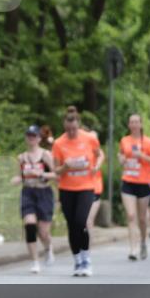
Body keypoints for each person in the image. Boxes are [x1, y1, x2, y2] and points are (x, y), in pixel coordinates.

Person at [52, 106, 103, 277]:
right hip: (67, 188)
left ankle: (86, 258)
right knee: (71, 226)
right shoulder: (59, 143)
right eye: (68, 129)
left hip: (86, 187)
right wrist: (65, 166)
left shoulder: (89, 139)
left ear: (78, 125)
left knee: (81, 222)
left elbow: (99, 154)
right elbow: (55, 169)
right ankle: (77, 260)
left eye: (74, 129)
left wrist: (96, 165)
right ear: (64, 127)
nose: (72, 132)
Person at [11, 125, 57, 273]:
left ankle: (48, 248)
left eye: (34, 136)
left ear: (39, 138)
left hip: (44, 193)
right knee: (30, 225)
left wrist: (42, 175)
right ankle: (35, 261)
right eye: (29, 135)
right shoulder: (22, 157)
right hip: (28, 193)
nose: (31, 138)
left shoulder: (46, 155)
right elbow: (20, 175)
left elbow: (56, 174)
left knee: (43, 231)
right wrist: (16, 179)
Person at [119, 114, 150, 261]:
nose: (134, 124)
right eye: (131, 122)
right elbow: (121, 155)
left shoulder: (148, 142)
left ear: (141, 125)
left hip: (143, 182)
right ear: (129, 125)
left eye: (137, 122)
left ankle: (142, 242)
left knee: (142, 219)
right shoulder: (125, 140)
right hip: (128, 181)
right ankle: (133, 248)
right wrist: (121, 159)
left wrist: (142, 155)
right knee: (131, 216)